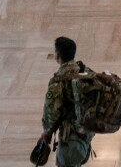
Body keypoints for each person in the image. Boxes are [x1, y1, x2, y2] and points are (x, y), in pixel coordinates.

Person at [42, 36, 95, 165]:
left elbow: (51, 112)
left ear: (58, 56)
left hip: (70, 139)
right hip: (87, 133)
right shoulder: (86, 71)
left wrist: (47, 133)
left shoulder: (57, 82)